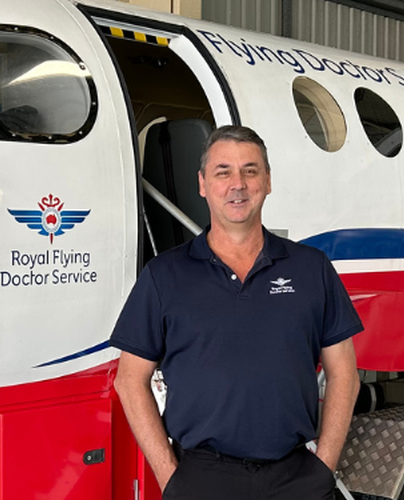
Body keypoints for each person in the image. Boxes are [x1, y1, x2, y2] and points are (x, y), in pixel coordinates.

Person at [109, 125, 363, 500]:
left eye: (250, 170)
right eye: (223, 172)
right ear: (202, 184)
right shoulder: (164, 276)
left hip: (296, 477)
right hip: (202, 478)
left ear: (268, 181)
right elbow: (129, 380)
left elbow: (345, 374)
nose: (237, 184)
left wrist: (322, 468)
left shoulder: (311, 268)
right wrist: (170, 477)